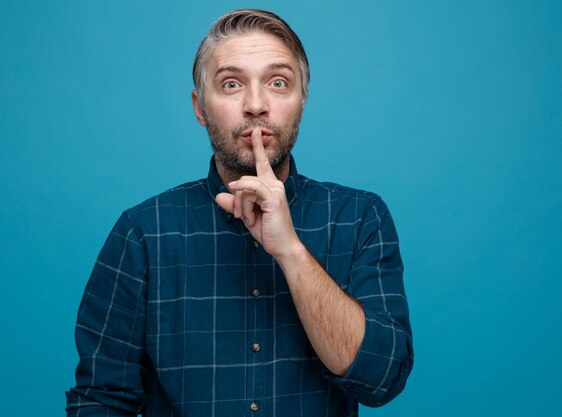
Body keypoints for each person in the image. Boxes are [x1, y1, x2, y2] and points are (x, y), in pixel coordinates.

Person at [66, 8, 413, 417]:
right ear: (200, 108)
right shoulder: (143, 233)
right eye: (231, 84)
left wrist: (290, 251)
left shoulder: (359, 219)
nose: (255, 105)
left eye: (278, 83)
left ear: (301, 103)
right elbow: (100, 401)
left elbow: (381, 378)